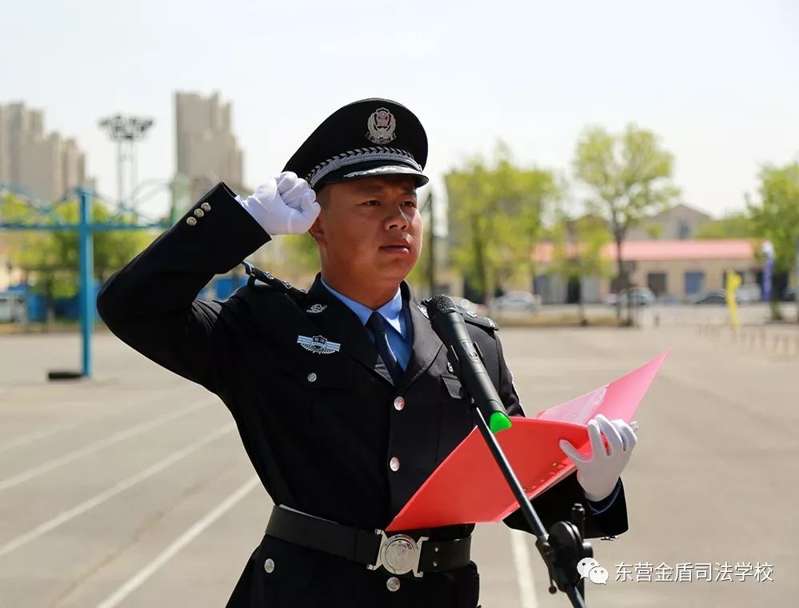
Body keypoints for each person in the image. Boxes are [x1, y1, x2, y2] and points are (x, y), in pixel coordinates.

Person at [97, 98, 637, 608]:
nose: (397, 219)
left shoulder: (465, 338)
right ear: (316, 222)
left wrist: (593, 487)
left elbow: (513, 485)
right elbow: (131, 306)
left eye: (408, 202)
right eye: (372, 202)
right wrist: (242, 225)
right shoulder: (263, 328)